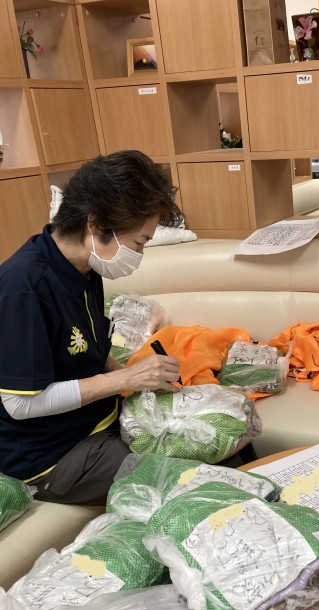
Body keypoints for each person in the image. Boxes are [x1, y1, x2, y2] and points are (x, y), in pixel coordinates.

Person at [0, 150, 183, 505]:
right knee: (181, 479)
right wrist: (126, 379)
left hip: (97, 421)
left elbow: (89, 353)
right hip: (51, 457)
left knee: (211, 432)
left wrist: (137, 377)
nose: (140, 254)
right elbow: (20, 405)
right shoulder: (22, 287)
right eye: (139, 242)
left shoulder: (85, 268)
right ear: (96, 225)